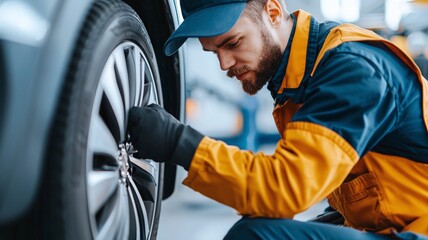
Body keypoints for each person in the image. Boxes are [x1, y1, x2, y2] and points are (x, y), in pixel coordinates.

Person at [128, 0, 428, 239]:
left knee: (256, 235)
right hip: (396, 228)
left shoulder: (351, 70)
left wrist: (178, 143)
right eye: (213, 51)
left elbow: (284, 190)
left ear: (272, 11)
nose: (224, 64)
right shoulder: (299, 80)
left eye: (232, 44)